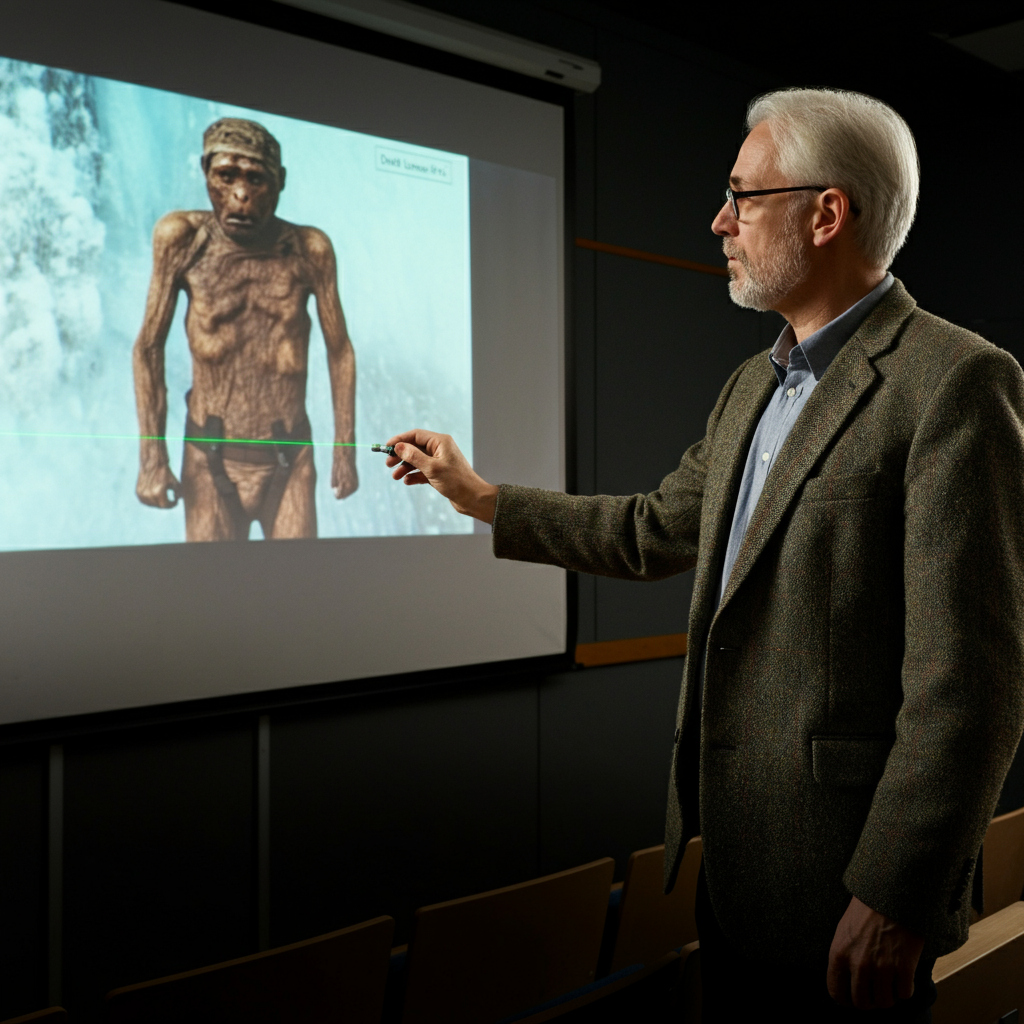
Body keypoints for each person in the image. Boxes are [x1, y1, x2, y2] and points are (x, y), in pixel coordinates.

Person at [379, 87, 1024, 1021]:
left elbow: (971, 684)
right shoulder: (747, 389)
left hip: (853, 891)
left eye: (742, 196)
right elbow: (652, 529)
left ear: (826, 212)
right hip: (732, 872)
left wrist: (896, 895)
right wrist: (481, 498)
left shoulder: (954, 382)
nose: (718, 220)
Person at [132, 117, 357, 541]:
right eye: (226, 176)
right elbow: (148, 348)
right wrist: (151, 457)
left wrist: (344, 448)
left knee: (298, 598)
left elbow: (340, 350)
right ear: (205, 172)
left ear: (280, 182)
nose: (240, 194)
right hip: (207, 456)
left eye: (256, 179)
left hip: (288, 459)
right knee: (207, 600)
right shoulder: (180, 240)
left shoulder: (310, 251)